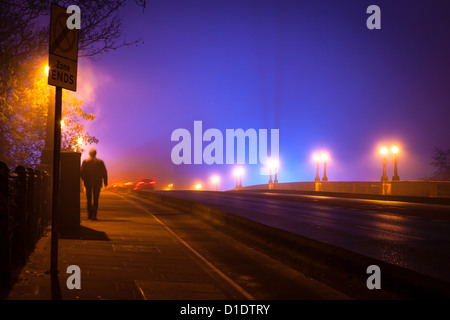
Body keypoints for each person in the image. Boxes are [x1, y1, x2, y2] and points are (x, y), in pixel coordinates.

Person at [80, 148, 108, 220]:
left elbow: (81, 172)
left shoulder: (85, 162)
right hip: (97, 183)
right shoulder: (100, 162)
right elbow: (104, 172)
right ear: (95, 154)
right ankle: (94, 215)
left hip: (88, 183)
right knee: (96, 199)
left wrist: (84, 179)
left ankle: (89, 214)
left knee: (89, 198)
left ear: (89, 154)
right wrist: (105, 181)